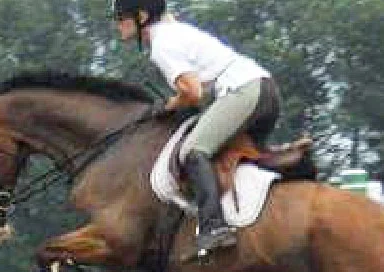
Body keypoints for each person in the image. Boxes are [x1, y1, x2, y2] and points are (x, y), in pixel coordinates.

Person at [112, 0, 281, 256]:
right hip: (263, 90)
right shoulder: (171, 30)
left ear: (142, 16)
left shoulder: (161, 44)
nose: (116, 24)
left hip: (244, 91)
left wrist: (170, 105)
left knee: (192, 151)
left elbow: (192, 92)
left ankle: (213, 228)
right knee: (227, 160)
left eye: (120, 17)